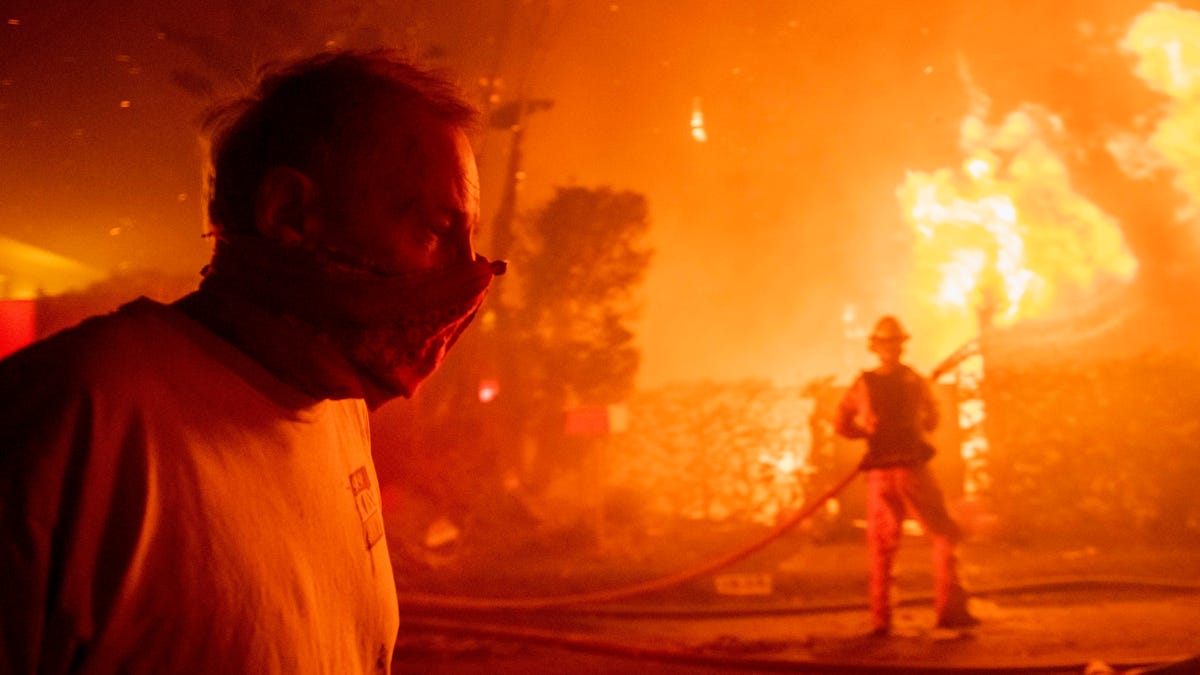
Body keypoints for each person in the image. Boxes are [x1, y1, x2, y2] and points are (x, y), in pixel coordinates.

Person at [0, 50, 504, 674]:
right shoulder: (75, 417)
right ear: (289, 213)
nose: (470, 275)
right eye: (433, 229)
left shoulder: (338, 411)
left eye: (470, 237)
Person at [834, 315, 978, 636]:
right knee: (944, 536)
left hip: (879, 477)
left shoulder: (863, 384)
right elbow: (931, 422)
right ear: (900, 347)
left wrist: (867, 431)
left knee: (882, 548)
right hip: (913, 472)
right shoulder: (914, 381)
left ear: (876, 347)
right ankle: (949, 611)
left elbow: (841, 424)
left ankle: (881, 620)